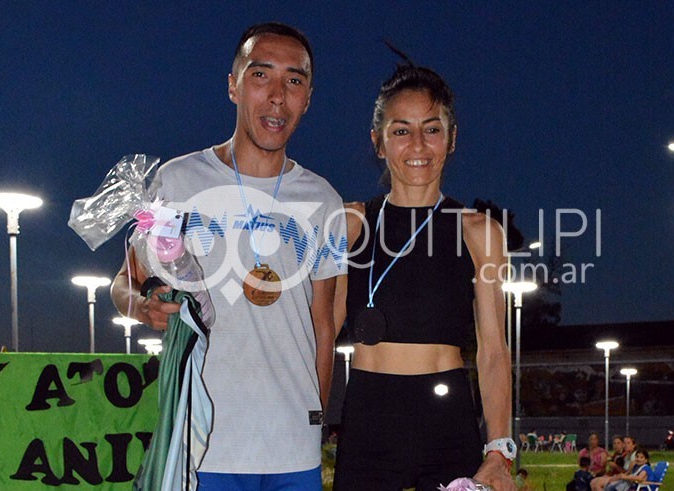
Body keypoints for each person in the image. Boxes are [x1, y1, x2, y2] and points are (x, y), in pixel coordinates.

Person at [111, 22, 346, 491]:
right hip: (203, 442)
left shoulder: (324, 200)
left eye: (294, 80)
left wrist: (314, 423)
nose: (278, 95)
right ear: (234, 86)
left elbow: (325, 325)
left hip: (292, 450)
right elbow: (122, 283)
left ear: (308, 97)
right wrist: (143, 306)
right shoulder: (177, 182)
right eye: (261, 76)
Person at [331, 61, 514, 491]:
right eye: (401, 130)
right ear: (378, 142)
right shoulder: (350, 223)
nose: (418, 144)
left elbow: (492, 351)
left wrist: (499, 451)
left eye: (432, 129)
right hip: (367, 414)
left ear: (451, 140)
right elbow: (318, 330)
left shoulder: (479, 232)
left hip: (446, 418)